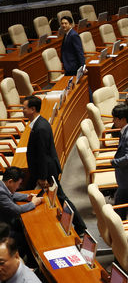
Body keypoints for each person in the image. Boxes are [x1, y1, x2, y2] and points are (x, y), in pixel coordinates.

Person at [22, 96, 86, 235]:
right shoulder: (38, 124)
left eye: (24, 108)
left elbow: (43, 155)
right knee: (34, 193)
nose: (23, 110)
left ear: (32, 109)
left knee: (62, 198)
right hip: (42, 170)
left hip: (47, 171)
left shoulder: (40, 128)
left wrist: (43, 177)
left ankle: (80, 227)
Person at [0, 167, 42, 254]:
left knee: (26, 227)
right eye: (18, 184)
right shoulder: (1, 192)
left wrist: (27, 197)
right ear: (10, 181)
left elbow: (11, 194)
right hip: (3, 229)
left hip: (6, 220)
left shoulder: (3, 185)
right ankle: (27, 262)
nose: (18, 187)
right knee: (27, 239)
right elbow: (17, 210)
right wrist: (33, 203)